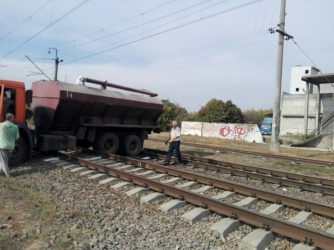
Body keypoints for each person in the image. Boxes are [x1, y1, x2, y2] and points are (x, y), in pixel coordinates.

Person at [0, 113, 19, 177]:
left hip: (2, 146)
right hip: (11, 146)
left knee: (3, 160)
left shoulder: (1, 125)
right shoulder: (15, 127)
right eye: (13, 117)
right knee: (4, 160)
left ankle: (7, 173)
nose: (13, 119)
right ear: (11, 118)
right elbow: (17, 137)